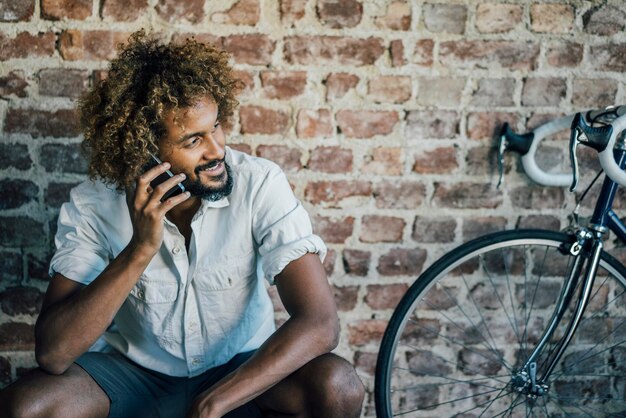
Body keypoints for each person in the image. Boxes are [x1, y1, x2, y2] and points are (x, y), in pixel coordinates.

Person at [0, 30, 364, 418]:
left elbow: (321, 323)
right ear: (144, 148)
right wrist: (140, 248)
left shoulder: (259, 183)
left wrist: (213, 403)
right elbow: (54, 354)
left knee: (337, 387)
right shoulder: (93, 204)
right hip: (137, 375)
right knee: (26, 407)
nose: (217, 149)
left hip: (240, 369)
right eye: (193, 141)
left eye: (217, 126)